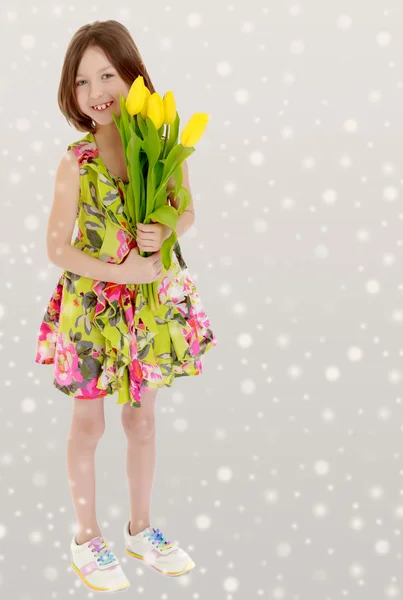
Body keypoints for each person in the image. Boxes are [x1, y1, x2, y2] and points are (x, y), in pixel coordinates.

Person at [34, 19, 218, 593]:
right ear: (73, 94)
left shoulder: (162, 143)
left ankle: (141, 528)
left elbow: (184, 209)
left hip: (150, 308)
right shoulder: (76, 162)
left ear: (133, 74)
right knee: (88, 424)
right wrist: (121, 270)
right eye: (83, 81)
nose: (97, 91)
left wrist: (163, 232)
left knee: (142, 419)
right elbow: (56, 247)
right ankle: (87, 538)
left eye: (108, 74)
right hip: (92, 309)